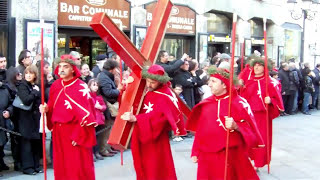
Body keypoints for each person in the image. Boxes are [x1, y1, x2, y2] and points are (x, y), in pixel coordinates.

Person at [186, 66, 263, 180]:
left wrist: (236, 126)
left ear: (224, 84)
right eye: (209, 81)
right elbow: (201, 130)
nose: (210, 84)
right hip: (206, 155)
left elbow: (251, 130)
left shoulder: (239, 103)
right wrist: (195, 151)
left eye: (213, 81)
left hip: (229, 155)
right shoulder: (206, 104)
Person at [121, 64, 187, 180]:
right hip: (139, 133)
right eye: (148, 81)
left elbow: (162, 119)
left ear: (160, 82)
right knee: (142, 166)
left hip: (156, 139)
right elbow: (129, 101)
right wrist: (124, 89)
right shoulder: (144, 89)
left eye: (153, 82)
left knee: (157, 169)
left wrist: (138, 118)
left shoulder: (166, 95)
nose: (149, 85)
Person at [39, 54, 97, 180]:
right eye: (60, 66)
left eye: (65, 66)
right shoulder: (55, 85)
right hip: (59, 132)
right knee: (61, 167)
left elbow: (88, 114)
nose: (62, 69)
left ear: (73, 69)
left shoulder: (81, 86)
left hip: (75, 132)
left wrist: (79, 135)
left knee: (77, 168)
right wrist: (46, 109)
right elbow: (52, 106)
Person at [241, 58, 284, 169]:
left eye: (259, 65)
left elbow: (278, 99)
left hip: (262, 115)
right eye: (255, 65)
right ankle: (249, 159)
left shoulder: (270, 82)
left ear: (265, 68)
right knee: (248, 138)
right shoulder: (249, 81)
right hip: (249, 115)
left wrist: (271, 101)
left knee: (261, 138)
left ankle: (258, 162)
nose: (256, 67)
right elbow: (241, 96)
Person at [16, 65, 42, 175]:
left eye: (30, 73)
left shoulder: (35, 86)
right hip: (25, 119)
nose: (28, 75)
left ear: (35, 75)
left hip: (35, 119)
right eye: (26, 73)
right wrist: (35, 93)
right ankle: (28, 167)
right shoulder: (22, 86)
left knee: (35, 143)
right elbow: (26, 100)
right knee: (26, 144)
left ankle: (36, 165)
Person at [88, 79, 106, 161]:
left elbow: (104, 107)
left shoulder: (98, 97)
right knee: (92, 137)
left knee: (98, 136)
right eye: (93, 85)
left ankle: (97, 152)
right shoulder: (88, 97)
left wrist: (100, 107)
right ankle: (92, 153)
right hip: (92, 119)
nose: (96, 87)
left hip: (98, 119)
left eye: (96, 85)